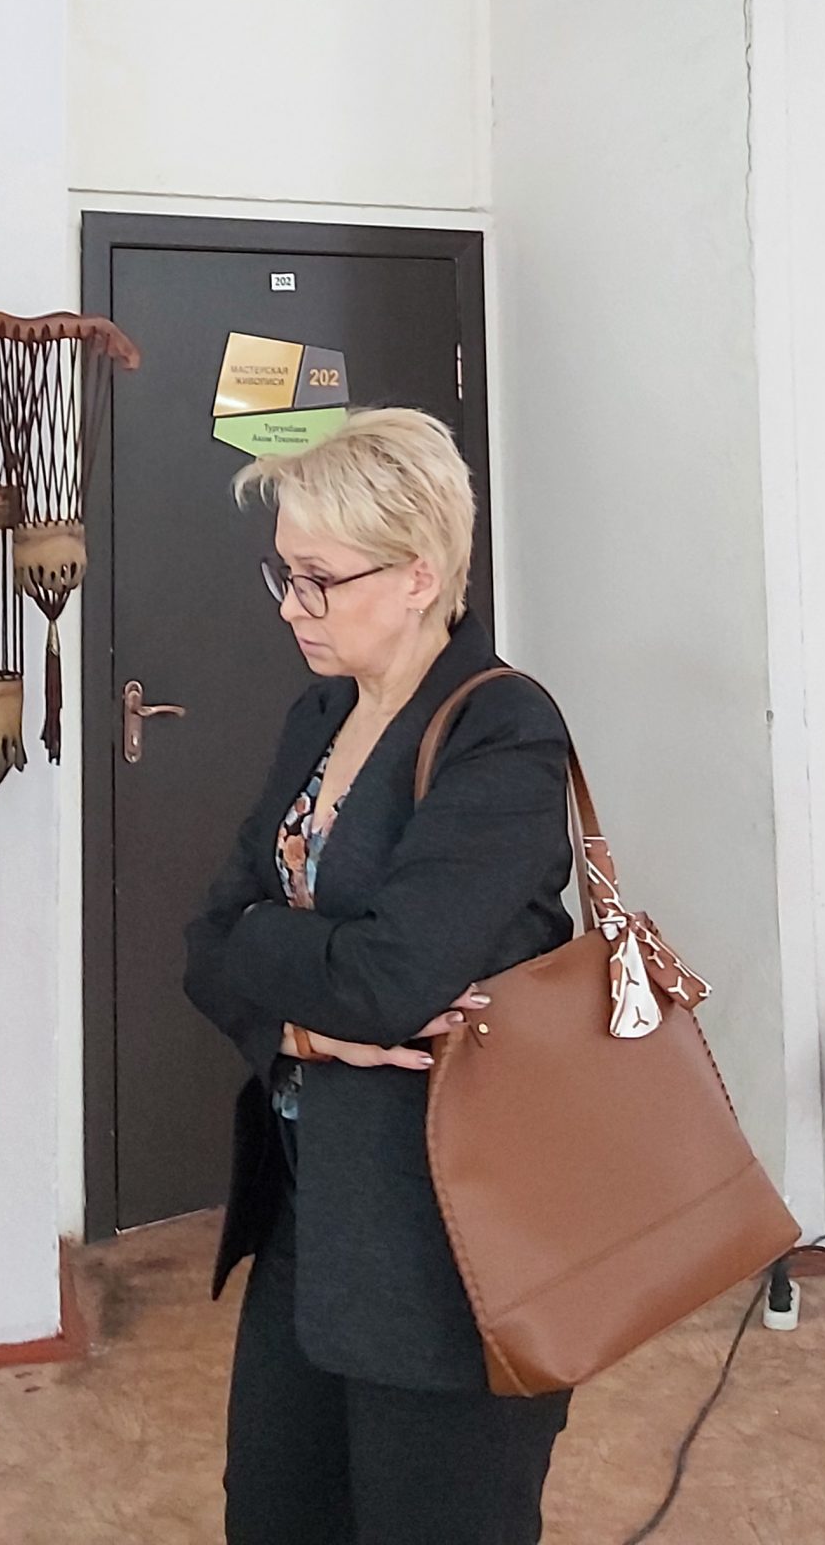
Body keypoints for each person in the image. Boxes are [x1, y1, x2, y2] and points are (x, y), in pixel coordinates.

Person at [185, 407, 576, 1545]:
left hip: (448, 1233)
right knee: (273, 1514)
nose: (291, 606)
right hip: (310, 1206)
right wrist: (301, 1029)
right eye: (285, 574)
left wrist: (271, 946)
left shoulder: (504, 730)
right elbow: (205, 943)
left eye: (319, 578)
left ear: (418, 576)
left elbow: (386, 981)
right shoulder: (322, 712)